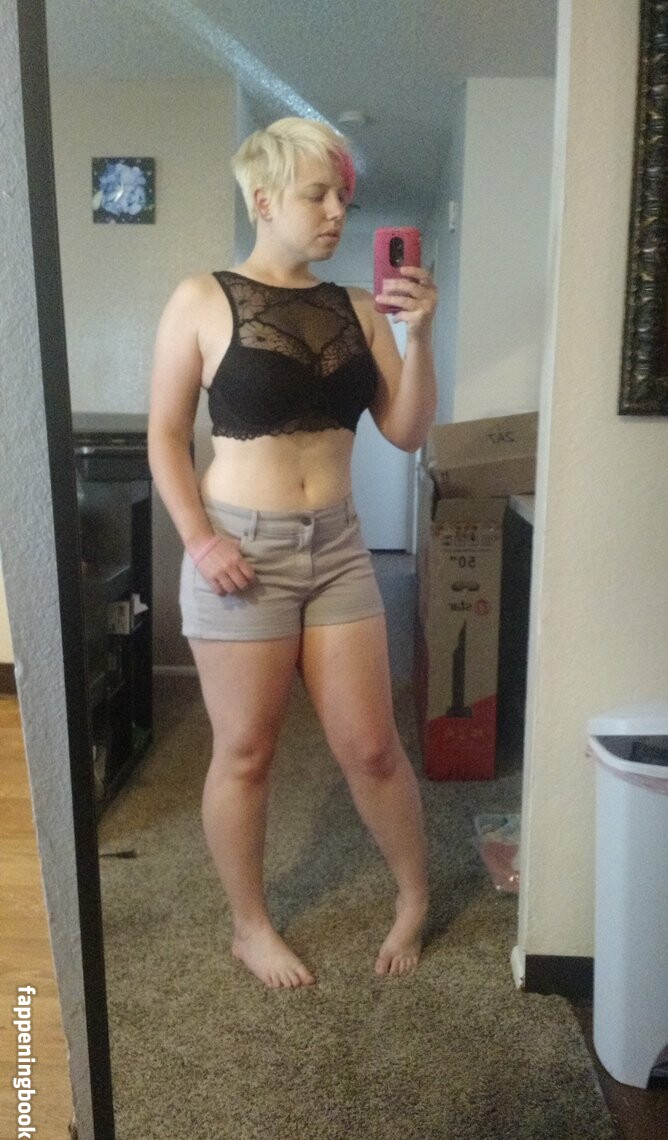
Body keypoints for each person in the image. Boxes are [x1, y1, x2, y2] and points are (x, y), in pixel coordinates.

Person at [148, 116, 438, 990]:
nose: (337, 211)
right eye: (318, 195)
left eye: (342, 196)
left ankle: (415, 896)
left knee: (373, 746)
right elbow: (165, 436)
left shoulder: (359, 309)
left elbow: (405, 430)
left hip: (339, 548)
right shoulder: (201, 299)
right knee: (245, 752)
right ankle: (250, 926)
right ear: (264, 199)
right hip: (241, 551)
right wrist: (200, 540)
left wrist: (420, 336)